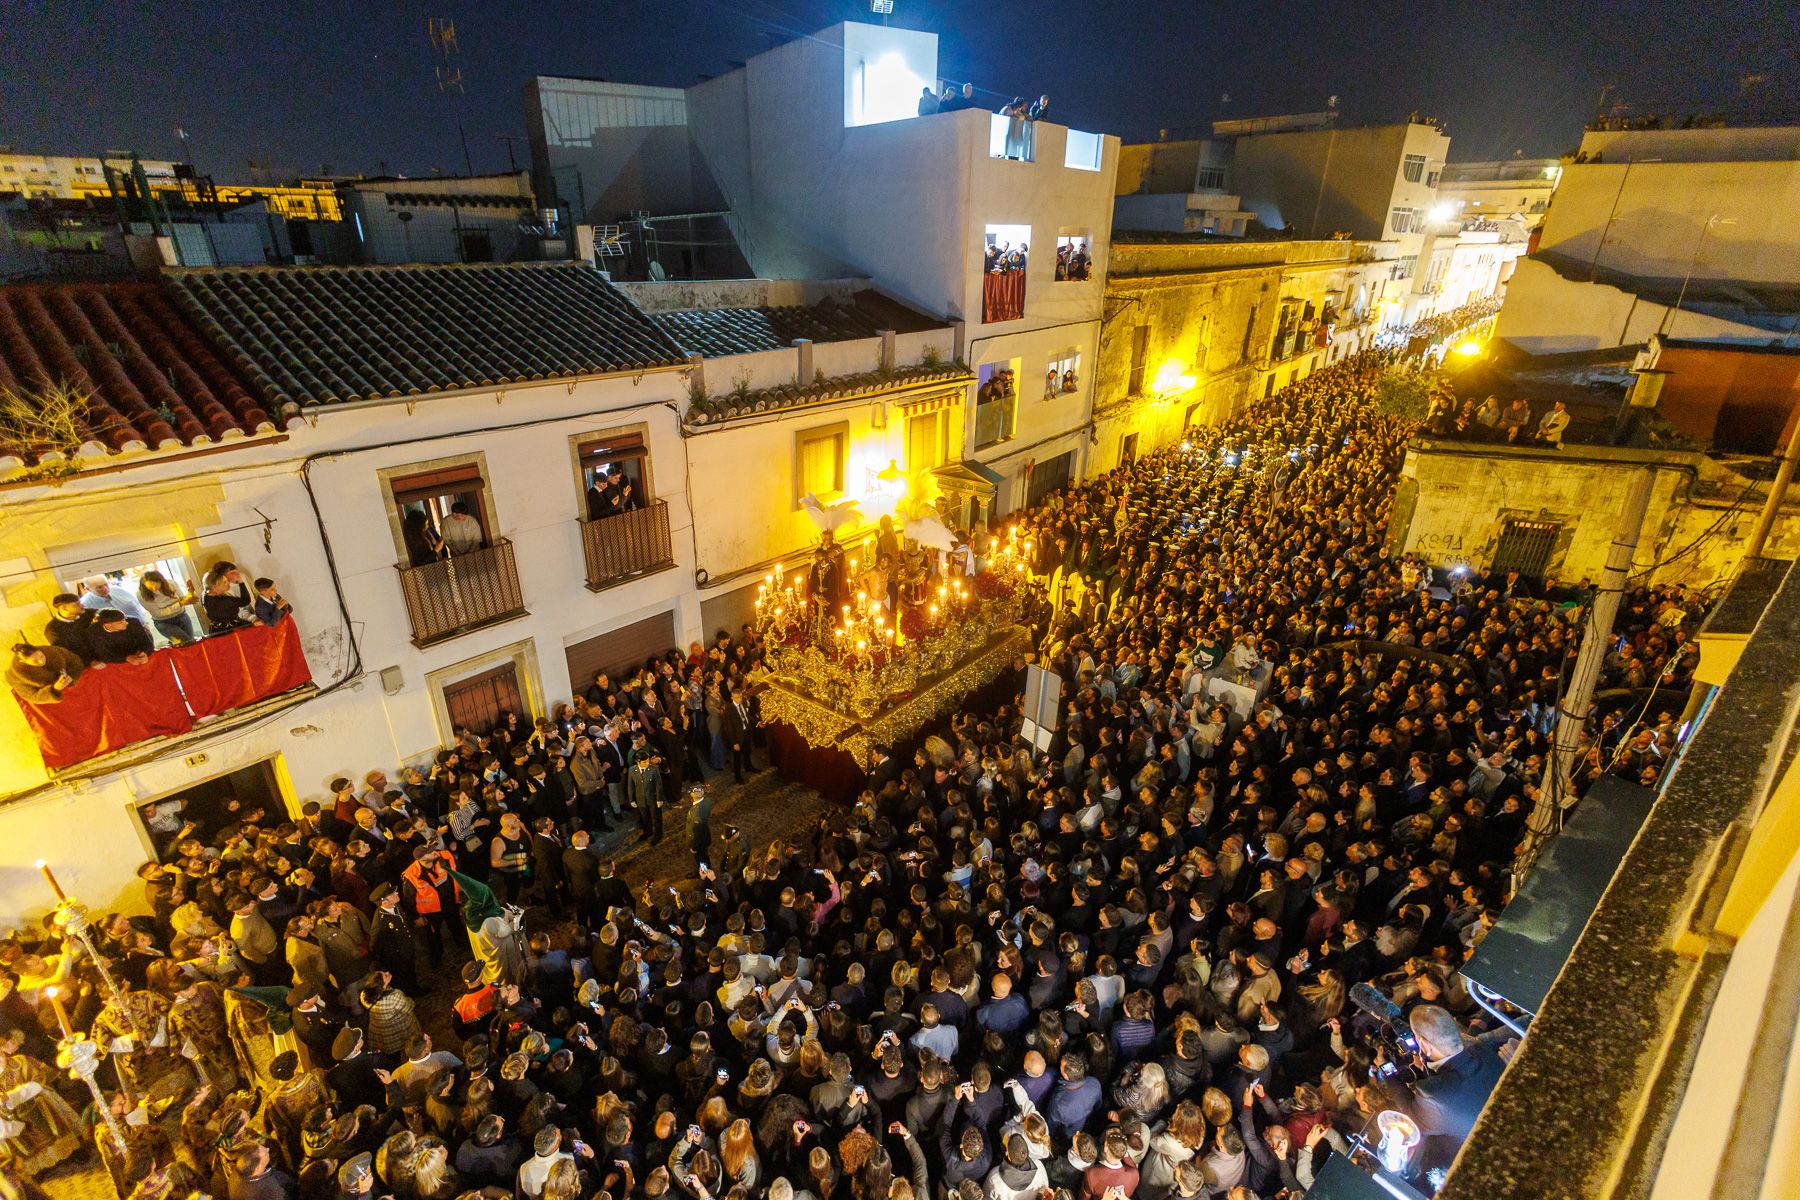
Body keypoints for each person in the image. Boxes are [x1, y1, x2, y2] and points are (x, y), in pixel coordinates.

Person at [6, 641, 84, 703]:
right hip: (48, 697)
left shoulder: (53, 651)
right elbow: (32, 697)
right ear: (23, 662)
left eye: (41, 656)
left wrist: (72, 677)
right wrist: (54, 689)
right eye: (35, 661)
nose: (41, 661)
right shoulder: (19, 677)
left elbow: (74, 660)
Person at [139, 569, 202, 644]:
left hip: (181, 616)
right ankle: (174, 644)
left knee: (190, 642)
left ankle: (173, 644)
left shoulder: (170, 583)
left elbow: (182, 598)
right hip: (164, 622)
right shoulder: (141, 595)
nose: (154, 588)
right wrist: (181, 604)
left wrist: (190, 591)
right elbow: (158, 613)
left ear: (161, 581)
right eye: (150, 587)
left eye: (156, 585)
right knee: (186, 643)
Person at [79, 574, 152, 627]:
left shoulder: (117, 590)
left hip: (141, 627)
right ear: (88, 589)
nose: (105, 588)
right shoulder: (85, 604)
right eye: (99, 587)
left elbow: (136, 604)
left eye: (106, 584)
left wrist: (145, 623)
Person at [203, 562, 257, 631]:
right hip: (230, 628)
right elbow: (244, 602)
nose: (237, 575)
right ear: (223, 576)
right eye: (233, 573)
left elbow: (255, 593)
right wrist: (253, 618)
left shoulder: (242, 576)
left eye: (237, 571)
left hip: (255, 614)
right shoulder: (223, 595)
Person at [89, 608, 154, 664]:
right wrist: (126, 658)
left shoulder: (133, 622)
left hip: (138, 655)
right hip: (117, 662)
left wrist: (145, 652)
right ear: (108, 625)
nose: (126, 623)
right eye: (120, 622)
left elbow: (147, 643)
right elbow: (104, 655)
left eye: (124, 620)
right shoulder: (95, 632)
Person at [722, 687, 757, 784]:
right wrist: (734, 743)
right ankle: (738, 777)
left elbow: (747, 717)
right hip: (737, 737)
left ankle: (748, 766)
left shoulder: (744, 703)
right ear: (732, 698)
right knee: (737, 757)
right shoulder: (729, 710)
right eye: (737, 698)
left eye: (740, 697)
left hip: (746, 732)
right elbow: (729, 728)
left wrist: (757, 723)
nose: (740, 699)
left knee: (747, 751)